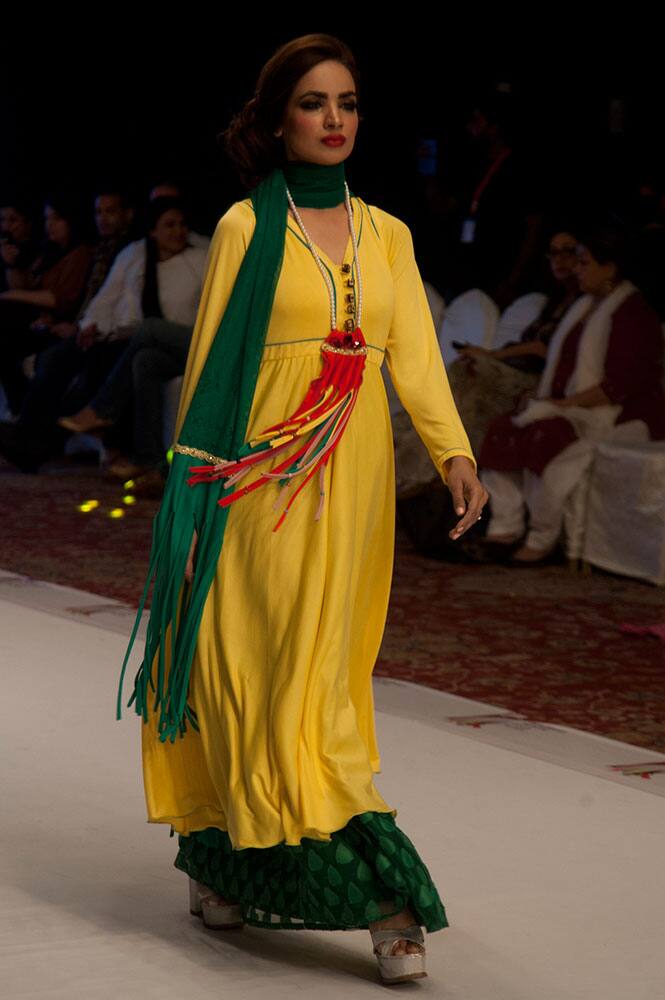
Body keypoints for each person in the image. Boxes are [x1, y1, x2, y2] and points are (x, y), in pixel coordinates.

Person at [115, 34, 487, 986]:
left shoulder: (388, 235)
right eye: (315, 103)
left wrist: (453, 452)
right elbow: (212, 367)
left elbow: (411, 356)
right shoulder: (245, 225)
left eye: (348, 103)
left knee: (324, 678)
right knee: (252, 669)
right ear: (278, 118)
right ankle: (372, 901)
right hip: (260, 481)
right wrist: (193, 498)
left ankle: (239, 863)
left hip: (350, 483)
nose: (334, 119)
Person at [475, 225, 665, 566]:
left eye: (584, 262)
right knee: (502, 430)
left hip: (620, 416)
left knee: (546, 437)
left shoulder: (633, 313)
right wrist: (544, 400)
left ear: (610, 268)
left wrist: (557, 406)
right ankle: (505, 527)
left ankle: (541, 535)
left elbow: (618, 386)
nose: (577, 270)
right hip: (572, 408)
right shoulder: (583, 305)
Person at [55, 196, 208, 491]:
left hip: (207, 341)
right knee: (145, 360)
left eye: (181, 225)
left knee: (148, 329)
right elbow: (111, 300)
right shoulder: (142, 261)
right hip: (175, 347)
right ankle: (148, 460)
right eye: (169, 226)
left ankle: (102, 408)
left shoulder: (201, 258)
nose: (178, 232)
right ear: (152, 231)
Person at [446, 227, 581, 457]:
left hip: (541, 379)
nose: (560, 260)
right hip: (519, 367)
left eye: (568, 252)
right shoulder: (553, 302)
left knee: (475, 370)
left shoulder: (582, 305)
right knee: (464, 368)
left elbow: (544, 350)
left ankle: (461, 457)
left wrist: (492, 356)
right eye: (554, 253)